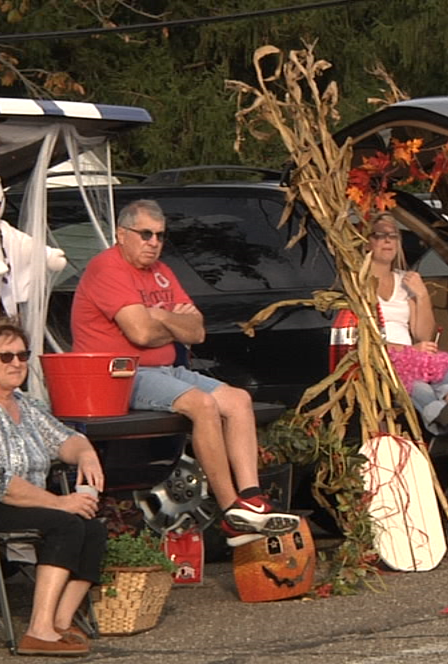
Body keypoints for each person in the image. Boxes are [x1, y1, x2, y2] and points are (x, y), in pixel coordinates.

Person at [70, 199, 298, 547]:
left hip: (165, 368)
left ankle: (251, 495)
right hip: (120, 374)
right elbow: (141, 335)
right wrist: (170, 322)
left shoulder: (161, 270)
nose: (154, 243)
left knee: (238, 400)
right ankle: (231, 512)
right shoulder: (108, 269)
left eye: (160, 236)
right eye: (145, 234)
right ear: (121, 234)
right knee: (202, 405)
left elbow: (197, 332)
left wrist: (159, 316)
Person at [0, 320, 104, 656]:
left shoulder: (25, 405)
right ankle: (37, 629)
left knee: (93, 525)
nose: (17, 363)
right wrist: (59, 503)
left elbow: (64, 439)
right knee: (66, 523)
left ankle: (59, 621)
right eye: (6, 356)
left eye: (23, 356)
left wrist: (86, 453)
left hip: (32, 502)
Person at [367, 213, 448, 433]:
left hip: (412, 352)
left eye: (393, 236)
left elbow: (422, 334)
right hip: (384, 357)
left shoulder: (405, 280)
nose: (388, 241)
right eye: (381, 235)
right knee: (419, 388)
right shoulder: (359, 283)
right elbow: (367, 339)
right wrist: (406, 349)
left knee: (443, 369)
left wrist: (422, 295)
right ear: (367, 242)